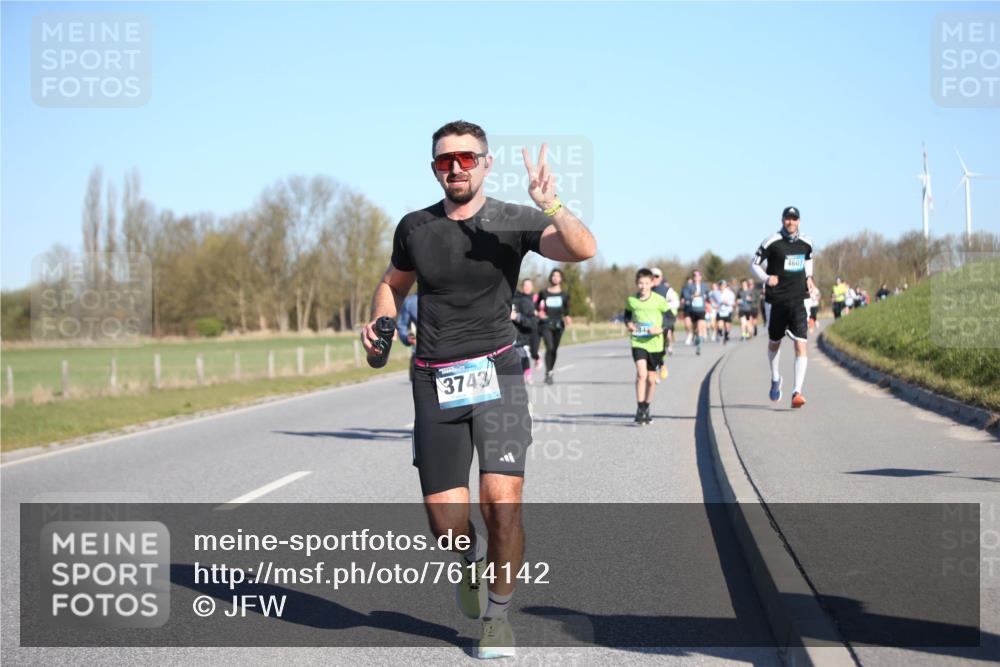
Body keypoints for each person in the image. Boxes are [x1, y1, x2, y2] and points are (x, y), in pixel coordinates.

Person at [360, 120, 596, 659]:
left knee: (502, 506)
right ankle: (468, 565)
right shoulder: (414, 227)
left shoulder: (514, 221)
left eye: (468, 158)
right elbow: (391, 284)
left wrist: (552, 204)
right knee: (447, 526)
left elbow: (583, 249)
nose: (457, 168)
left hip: (499, 376)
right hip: (434, 380)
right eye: (446, 161)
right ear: (434, 169)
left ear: (486, 163)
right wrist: (379, 324)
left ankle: (497, 617)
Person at [750, 206, 816, 409]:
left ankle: (797, 392)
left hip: (798, 300)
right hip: (777, 300)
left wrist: (809, 278)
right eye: (788, 219)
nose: (791, 222)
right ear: (782, 220)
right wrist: (766, 277)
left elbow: (809, 260)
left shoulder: (807, 242)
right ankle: (776, 377)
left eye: (794, 219)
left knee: (801, 344)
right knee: (774, 343)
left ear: (799, 221)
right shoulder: (772, 241)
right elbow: (753, 264)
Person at [624, 268, 669, 424]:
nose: (643, 286)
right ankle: (640, 408)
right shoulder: (631, 300)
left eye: (646, 283)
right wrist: (629, 324)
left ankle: (647, 405)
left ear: (652, 283)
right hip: (638, 341)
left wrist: (661, 329)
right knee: (641, 374)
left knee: (651, 379)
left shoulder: (659, 300)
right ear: (636, 284)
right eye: (640, 283)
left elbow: (670, 317)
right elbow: (627, 315)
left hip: (656, 344)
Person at [537, 268, 572, 385]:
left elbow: (567, 310)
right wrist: (539, 313)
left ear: (561, 278)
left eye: (558, 276)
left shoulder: (565, 294)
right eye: (553, 276)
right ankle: (548, 372)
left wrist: (567, 317)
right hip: (546, 323)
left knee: (554, 349)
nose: (555, 278)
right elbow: (536, 306)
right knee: (549, 347)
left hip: (559, 324)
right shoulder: (544, 293)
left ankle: (550, 371)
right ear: (550, 278)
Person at [512, 279, 538, 384]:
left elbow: (532, 322)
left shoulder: (534, 299)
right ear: (522, 286)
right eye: (525, 285)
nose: (527, 287)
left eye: (529, 285)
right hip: (514, 336)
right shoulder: (514, 298)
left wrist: (517, 317)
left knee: (526, 354)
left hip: (527, 333)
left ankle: (535, 360)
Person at [680, 270, 709, 355]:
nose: (696, 278)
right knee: (692, 327)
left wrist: (707, 301)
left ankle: (698, 347)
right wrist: (692, 296)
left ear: (700, 277)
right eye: (695, 276)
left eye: (698, 276)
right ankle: (694, 336)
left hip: (701, 310)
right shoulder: (689, 286)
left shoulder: (704, 286)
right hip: (691, 310)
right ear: (693, 277)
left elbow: (708, 295)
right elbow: (685, 296)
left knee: (699, 328)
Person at [397, 292, 419, 382]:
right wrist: (407, 337)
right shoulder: (410, 301)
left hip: (451, 351)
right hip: (420, 353)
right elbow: (401, 325)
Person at [716, 279, 736, 344]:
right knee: (720, 325)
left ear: (725, 286)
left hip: (728, 311)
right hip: (720, 311)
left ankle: (726, 335)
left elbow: (733, 303)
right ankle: (720, 333)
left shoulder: (730, 293)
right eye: (721, 285)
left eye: (723, 285)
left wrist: (727, 303)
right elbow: (712, 300)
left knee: (727, 326)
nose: (722, 287)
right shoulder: (716, 293)